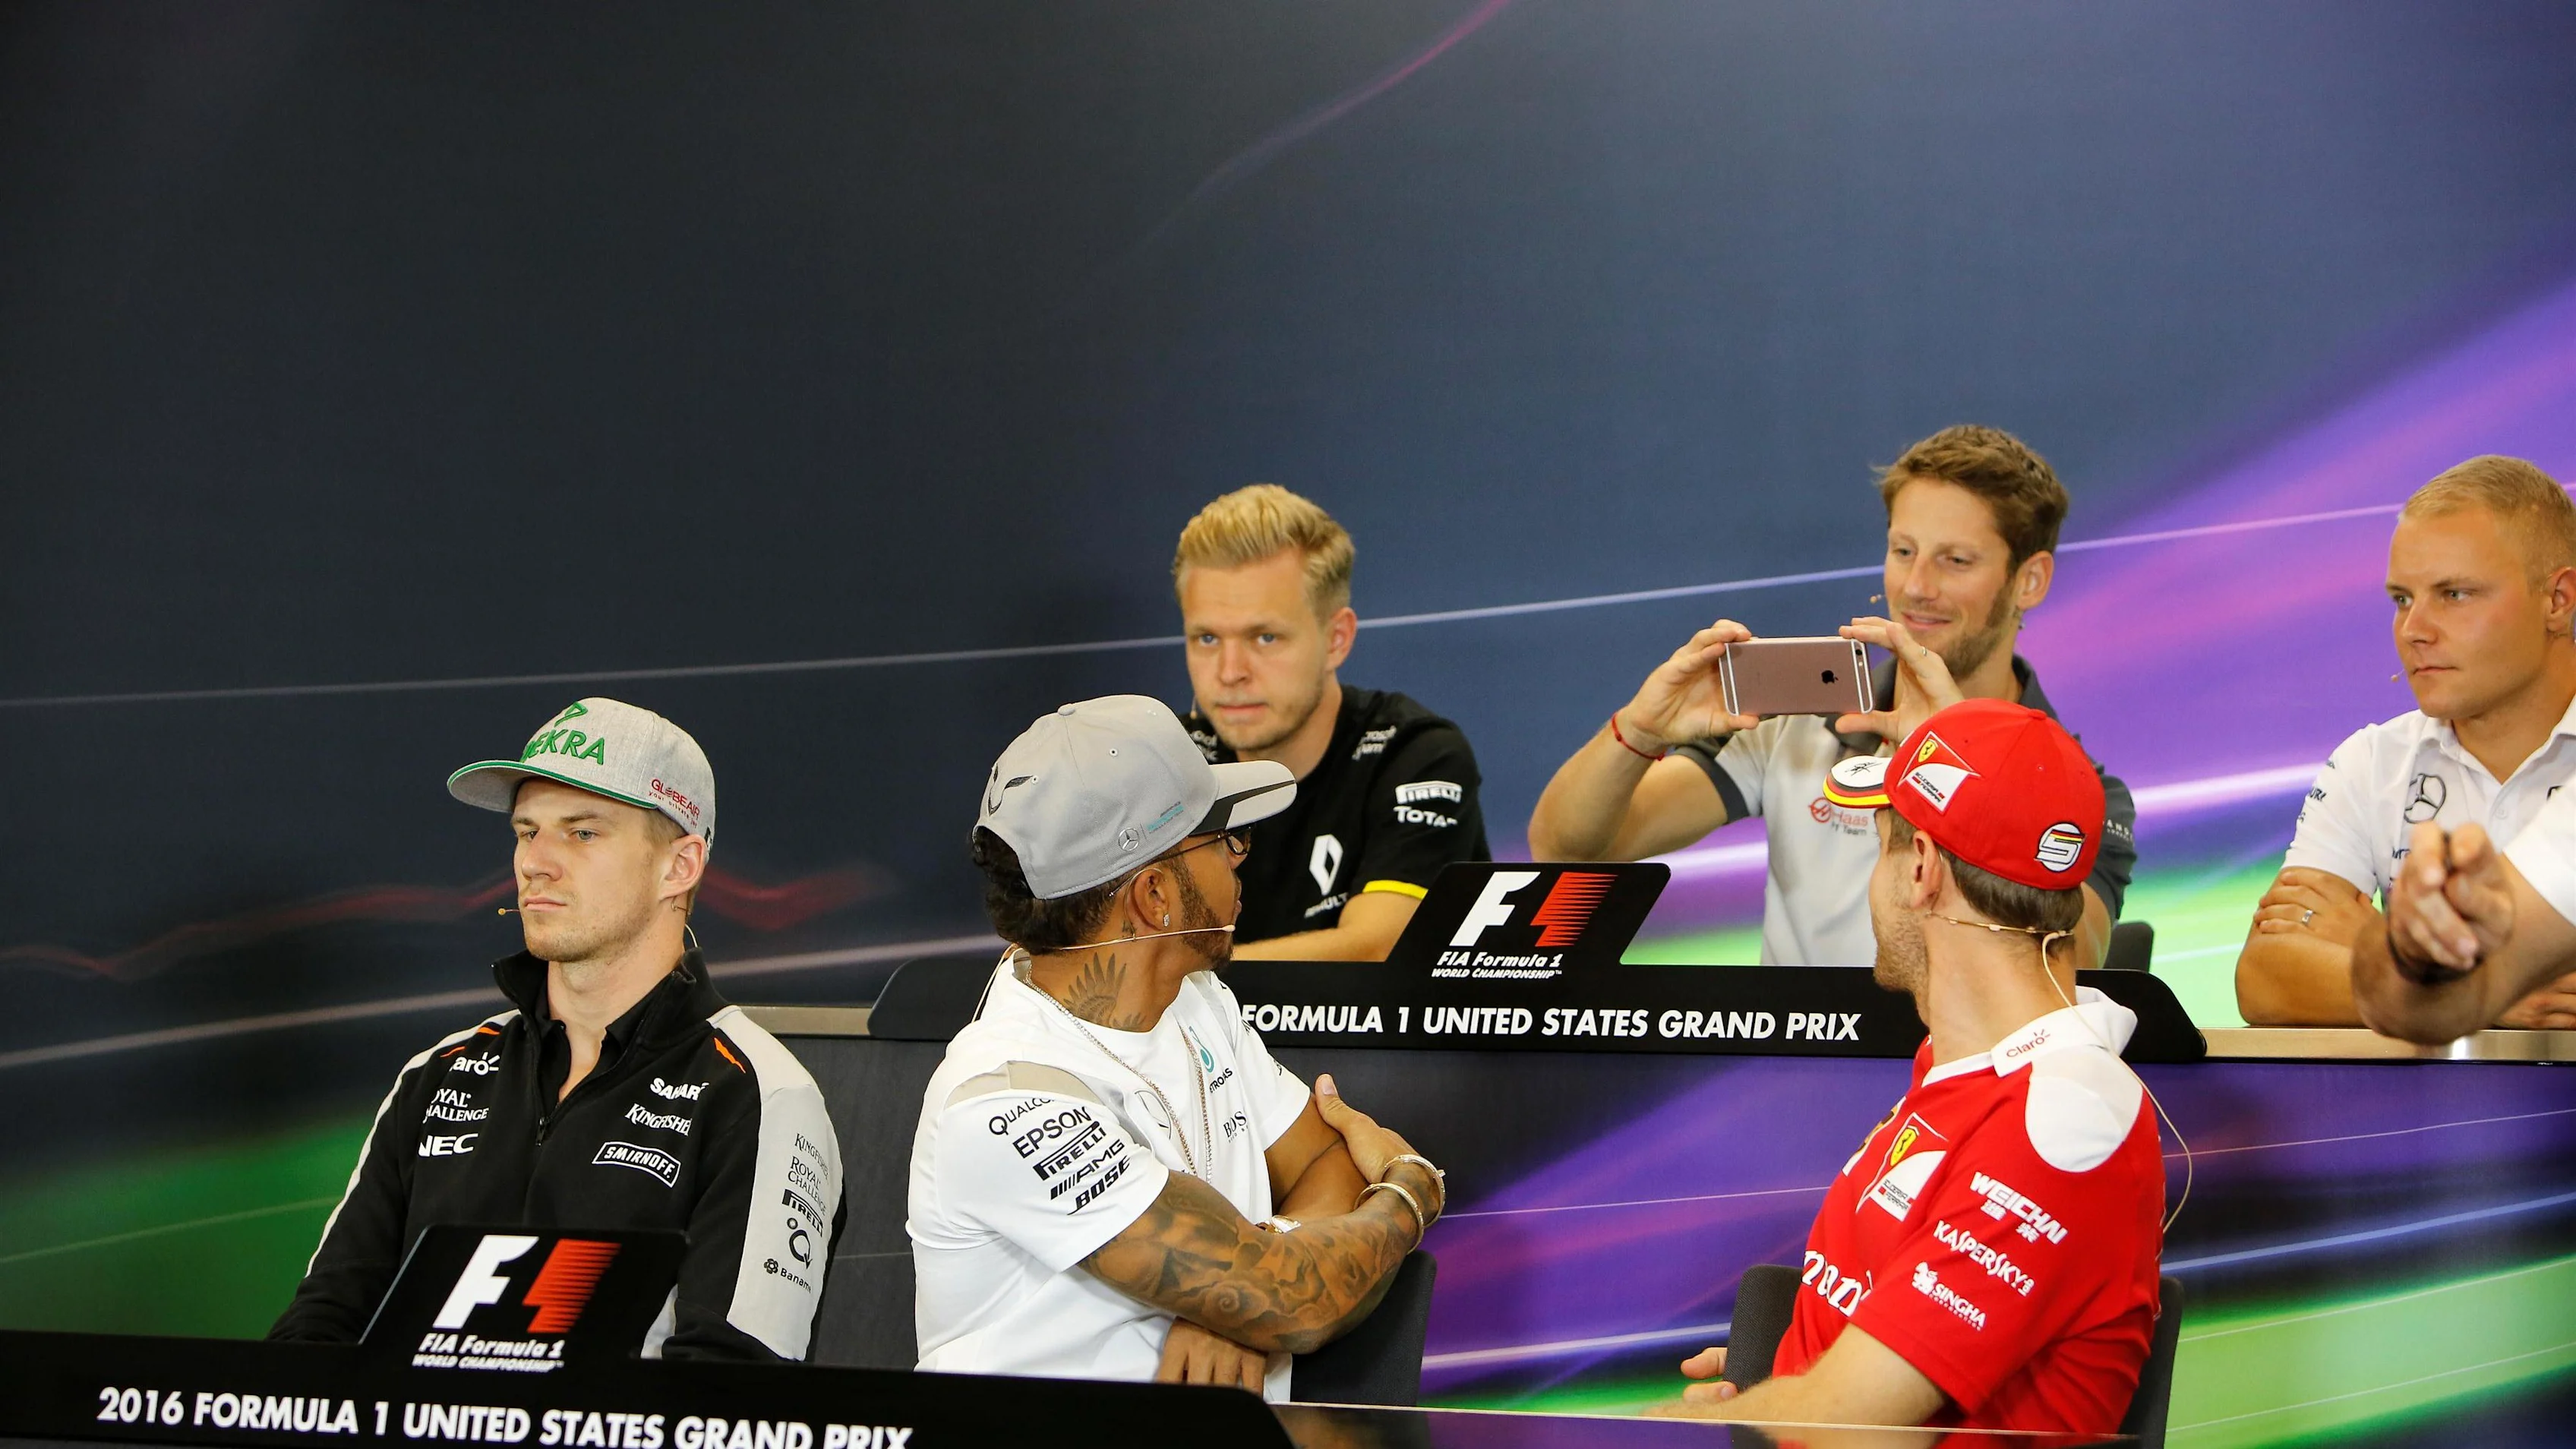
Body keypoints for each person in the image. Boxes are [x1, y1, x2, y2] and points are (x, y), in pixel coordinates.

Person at [270, 698, 843, 1361]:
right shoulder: (436, 1077)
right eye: (526, 830)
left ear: (679, 866)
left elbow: (730, 1393)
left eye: (583, 833)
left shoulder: (758, 1096)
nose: (535, 862)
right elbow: (314, 1339)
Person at [910, 695, 1446, 1399]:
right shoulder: (1005, 1098)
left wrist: (1236, 1296)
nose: (1239, 858)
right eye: (1221, 839)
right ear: (1154, 896)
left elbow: (1326, 1161)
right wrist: (1407, 1191)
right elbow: (1292, 1300)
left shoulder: (1197, 1002)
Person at [1658, 697, 2166, 1432]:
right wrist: (1772, 1383)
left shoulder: (2064, 1116)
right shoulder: (1958, 1065)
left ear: (1922, 867)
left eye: (1881, 847)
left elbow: (1849, 1429)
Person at [1528, 425, 2136, 967]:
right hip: (1797, 1078)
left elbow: (2070, 963)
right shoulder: (1793, 726)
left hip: (1965, 1083)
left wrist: (1960, 756)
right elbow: (1567, 850)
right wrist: (1639, 731)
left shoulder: (2079, 788)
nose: (1916, 587)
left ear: (2029, 581)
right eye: (1903, 551)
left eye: (1955, 560)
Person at [2236, 456, 2576, 1028]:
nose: (2414, 629)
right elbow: (2264, 979)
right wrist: (2490, 999)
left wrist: (2377, 941)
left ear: (2558, 600)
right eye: (2401, 599)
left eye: (2455, 594)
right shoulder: (2370, 761)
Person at [1174, 484, 1489, 959]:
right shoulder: (1167, 765)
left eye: (1264, 637)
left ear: (1337, 639)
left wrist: (1160, 974)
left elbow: (1373, 952)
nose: (1229, 672)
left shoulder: (1415, 754)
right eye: (1207, 639)